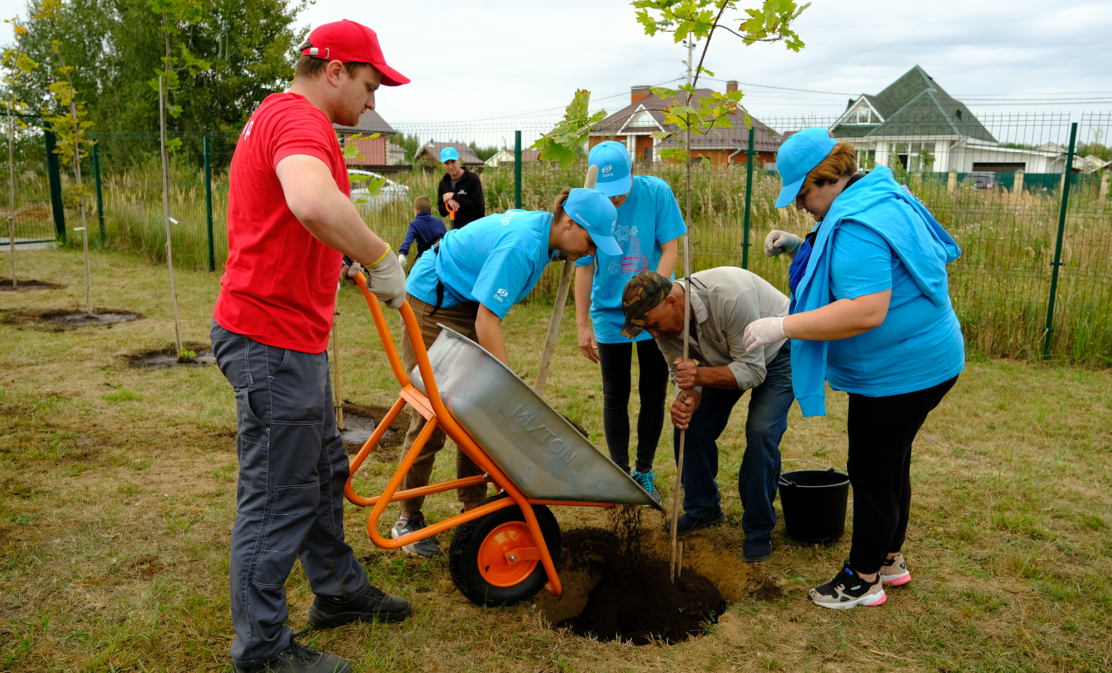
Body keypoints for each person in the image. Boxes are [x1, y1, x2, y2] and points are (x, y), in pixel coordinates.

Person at [209, 20, 413, 673]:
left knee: (322, 472)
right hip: (270, 338)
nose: (372, 103)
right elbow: (308, 200)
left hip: (284, 333)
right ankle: (262, 647)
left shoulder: (275, 114)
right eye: (369, 84)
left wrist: (341, 261)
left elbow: (290, 218)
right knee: (278, 490)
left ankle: (339, 590)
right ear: (334, 71)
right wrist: (378, 253)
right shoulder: (302, 123)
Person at [745, 128, 964, 609]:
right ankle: (888, 559)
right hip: (930, 356)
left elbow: (866, 309)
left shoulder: (857, 224)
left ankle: (862, 580)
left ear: (824, 179)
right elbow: (851, 259)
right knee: (891, 463)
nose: (800, 205)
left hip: (899, 372)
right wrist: (798, 246)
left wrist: (783, 325)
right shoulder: (880, 193)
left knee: (871, 471)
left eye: (801, 194)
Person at [391, 188, 621, 557]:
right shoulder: (523, 247)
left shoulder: (549, 237)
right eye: (592, 242)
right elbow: (487, 321)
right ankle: (408, 516)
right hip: (434, 299)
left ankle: (473, 509)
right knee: (432, 415)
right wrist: (508, 390)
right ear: (570, 222)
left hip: (466, 302)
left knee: (476, 412)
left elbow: (484, 316)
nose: (592, 252)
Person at [620, 268, 793, 563]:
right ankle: (703, 508)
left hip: (776, 352)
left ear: (673, 303)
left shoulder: (729, 297)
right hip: (724, 357)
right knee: (691, 424)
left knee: (761, 431)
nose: (654, 334)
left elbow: (753, 370)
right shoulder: (664, 327)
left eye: (654, 324)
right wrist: (687, 399)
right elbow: (680, 374)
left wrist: (700, 374)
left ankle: (758, 529)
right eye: (647, 329)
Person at [574, 141, 686, 502]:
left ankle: (644, 469)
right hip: (609, 314)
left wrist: (655, 297)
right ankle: (618, 471)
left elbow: (669, 247)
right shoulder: (589, 206)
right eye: (608, 194)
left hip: (652, 314)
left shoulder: (657, 193)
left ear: (633, 173)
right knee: (615, 394)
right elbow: (584, 266)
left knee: (653, 393)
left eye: (620, 190)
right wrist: (581, 324)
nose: (615, 200)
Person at [437, 146, 485, 228]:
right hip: (457, 231)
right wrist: (448, 202)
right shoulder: (443, 183)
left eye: (453, 161)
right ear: (442, 164)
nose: (450, 166)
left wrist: (454, 196)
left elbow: (478, 208)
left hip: (475, 229)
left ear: (459, 160)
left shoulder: (472, 179)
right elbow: (442, 212)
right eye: (447, 163)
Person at [397, 195, 446, 267]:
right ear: (431, 210)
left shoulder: (414, 224)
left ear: (416, 210)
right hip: (441, 259)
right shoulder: (439, 222)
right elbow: (447, 239)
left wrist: (402, 254)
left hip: (425, 260)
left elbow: (408, 240)